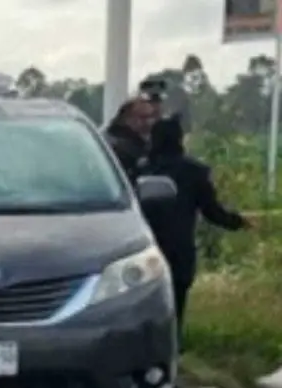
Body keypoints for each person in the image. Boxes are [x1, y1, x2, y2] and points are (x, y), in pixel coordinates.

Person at [144, 119, 250, 343]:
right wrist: (238, 222)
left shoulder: (141, 169)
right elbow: (212, 211)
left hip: (145, 250)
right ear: (179, 140)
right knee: (177, 305)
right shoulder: (194, 172)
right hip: (178, 250)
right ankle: (173, 349)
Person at [104, 96, 158, 182]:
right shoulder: (118, 148)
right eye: (143, 117)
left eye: (151, 117)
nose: (149, 122)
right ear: (127, 119)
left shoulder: (148, 145)